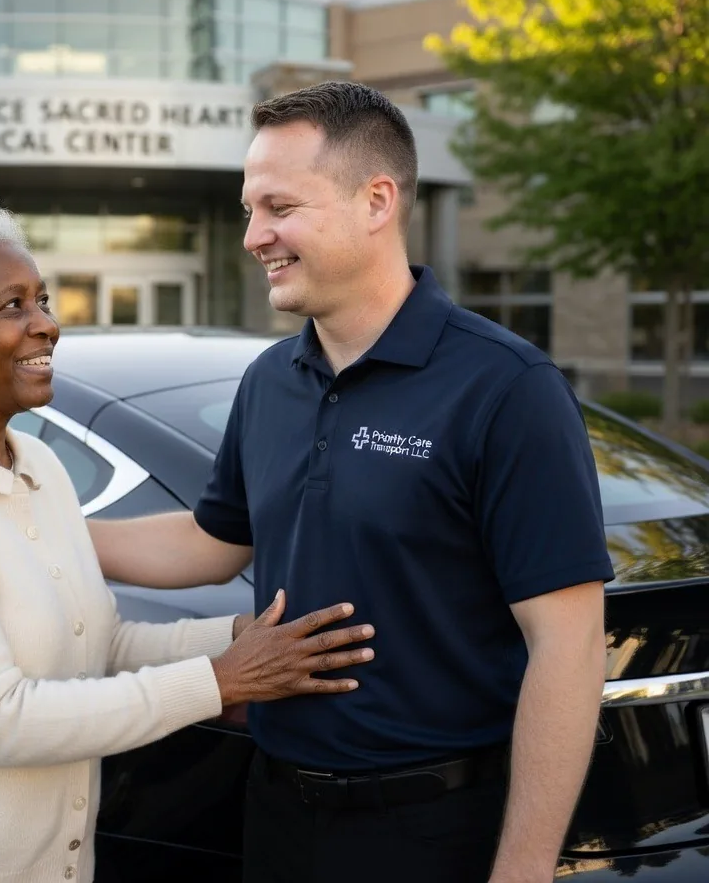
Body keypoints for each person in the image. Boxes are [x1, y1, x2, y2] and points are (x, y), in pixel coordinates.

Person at [87, 83, 615, 883]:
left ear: (376, 202)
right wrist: (40, 529)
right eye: (247, 211)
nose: (254, 236)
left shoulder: (505, 386)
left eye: (279, 208)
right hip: (274, 815)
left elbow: (569, 645)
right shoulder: (269, 380)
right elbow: (211, 541)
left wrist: (523, 870)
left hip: (434, 832)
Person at [0, 207, 377, 883]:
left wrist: (240, 635)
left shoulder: (36, 465)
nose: (47, 323)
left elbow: (98, 643)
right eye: (14, 305)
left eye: (41, 298)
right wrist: (220, 681)